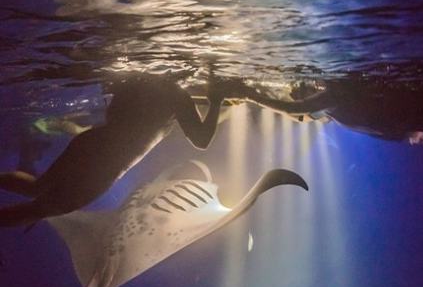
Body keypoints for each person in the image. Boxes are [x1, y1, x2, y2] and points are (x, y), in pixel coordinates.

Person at [0, 71, 249, 227]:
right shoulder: (176, 94)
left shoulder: (135, 78)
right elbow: (202, 139)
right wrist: (215, 100)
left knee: (38, 187)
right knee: (48, 207)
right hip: (108, 164)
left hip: (90, 143)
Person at [243, 77, 423, 145]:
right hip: (417, 113)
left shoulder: (334, 105)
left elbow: (297, 110)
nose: (300, 87)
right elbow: (296, 109)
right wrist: (250, 95)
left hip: (416, 114)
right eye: (299, 89)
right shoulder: (332, 103)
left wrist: (253, 95)